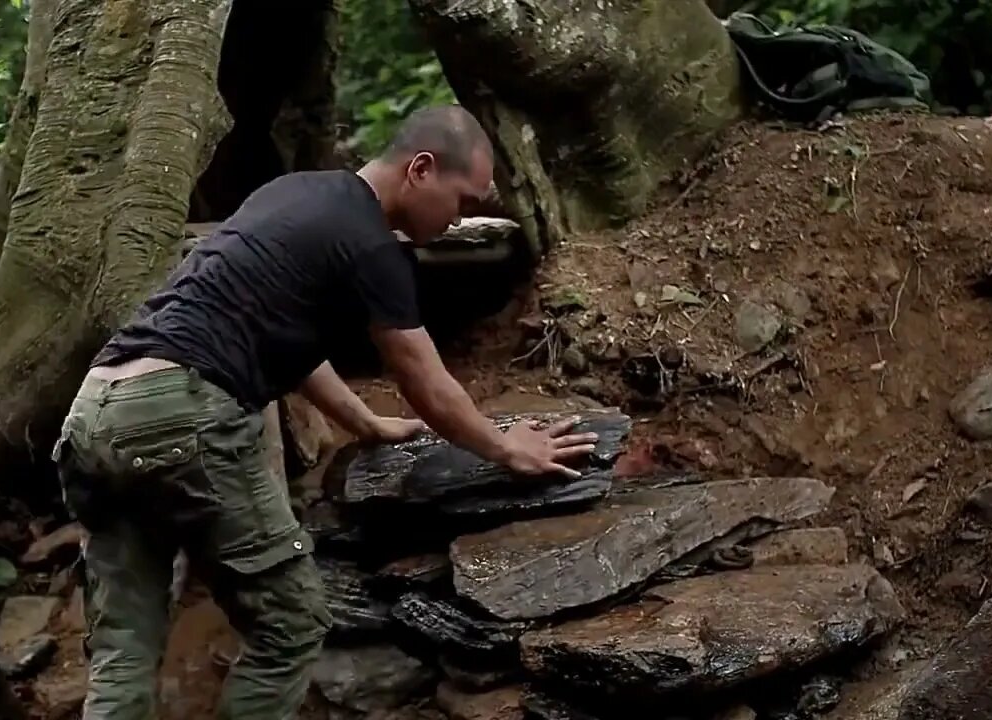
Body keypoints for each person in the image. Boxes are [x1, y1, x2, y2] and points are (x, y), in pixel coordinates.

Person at [52, 104, 600, 720]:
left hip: (96, 412)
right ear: (420, 169)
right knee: (289, 627)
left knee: (124, 645)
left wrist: (364, 423)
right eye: (462, 199)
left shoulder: (296, 196)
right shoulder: (372, 246)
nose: (460, 219)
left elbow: (288, 342)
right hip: (183, 412)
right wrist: (507, 448)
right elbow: (425, 380)